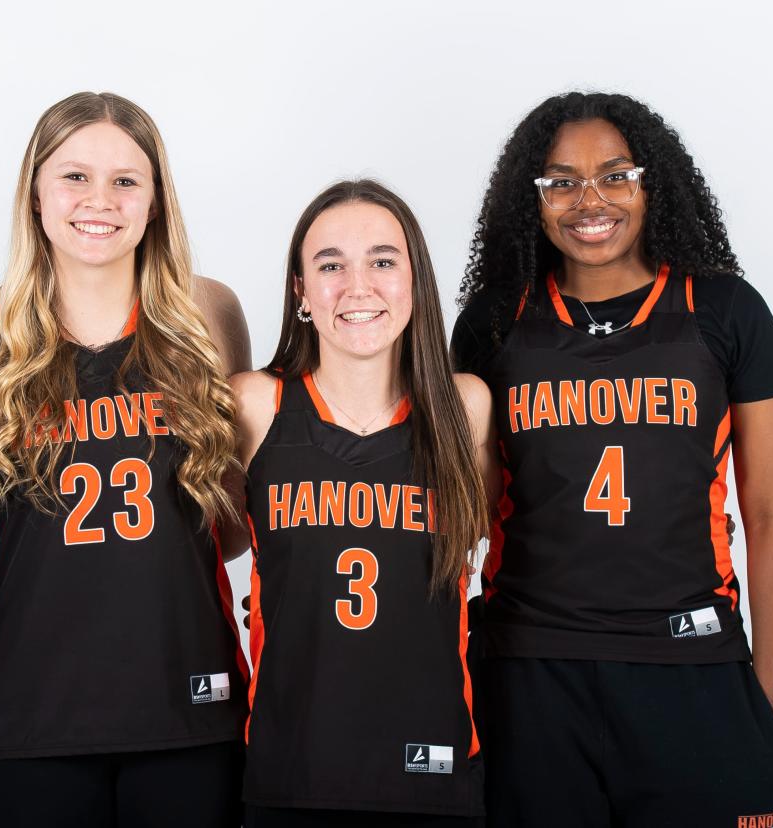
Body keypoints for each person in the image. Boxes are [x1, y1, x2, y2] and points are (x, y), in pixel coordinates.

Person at [452, 91, 773, 827]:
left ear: (655, 184)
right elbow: (467, 513)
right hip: (530, 674)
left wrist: (764, 716)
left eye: (616, 175)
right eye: (561, 181)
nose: (590, 200)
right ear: (534, 199)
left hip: (694, 671)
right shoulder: (495, 321)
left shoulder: (724, 311)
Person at [0, 91, 252, 827]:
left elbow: (236, 514)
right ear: (36, 193)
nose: (99, 200)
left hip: (189, 701)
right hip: (33, 711)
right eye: (74, 176)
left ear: (155, 201)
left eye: (126, 180)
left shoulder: (208, 313)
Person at [231, 179, 495, 827]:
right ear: (300, 290)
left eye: (382, 260)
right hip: (292, 767)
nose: (358, 285)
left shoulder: (466, 408)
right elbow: (202, 551)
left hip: (432, 766)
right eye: (330, 265)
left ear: (414, 280)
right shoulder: (255, 405)